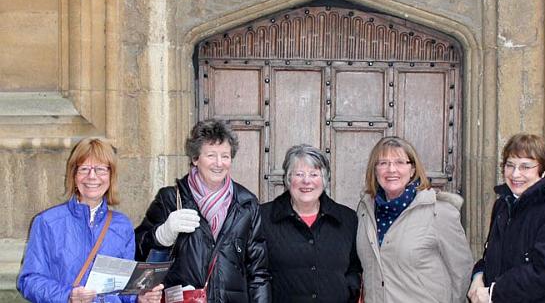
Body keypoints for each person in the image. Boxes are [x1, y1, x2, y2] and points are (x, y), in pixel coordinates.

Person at [135, 119, 270, 302]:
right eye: (211, 155)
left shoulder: (246, 203)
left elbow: (258, 272)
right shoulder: (170, 199)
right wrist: (162, 235)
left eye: (225, 156)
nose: (219, 163)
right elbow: (139, 250)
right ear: (195, 158)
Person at [17, 138, 163, 303]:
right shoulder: (47, 222)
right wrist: (68, 295)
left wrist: (139, 297)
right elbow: (28, 281)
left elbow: (123, 289)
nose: (92, 176)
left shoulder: (122, 226)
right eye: (84, 169)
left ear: (110, 175)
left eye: (100, 169)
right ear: (74, 175)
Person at [468, 133, 545, 303]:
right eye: (510, 165)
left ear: (542, 171)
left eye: (525, 167)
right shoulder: (503, 206)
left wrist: (494, 292)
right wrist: (478, 276)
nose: (515, 174)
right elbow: (494, 257)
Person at [356, 136, 473, 303]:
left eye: (400, 162)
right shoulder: (365, 211)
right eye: (383, 163)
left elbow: (461, 272)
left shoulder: (438, 212)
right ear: (374, 170)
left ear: (412, 170)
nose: (391, 169)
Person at [260, 144, 362, 303]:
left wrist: (348, 291)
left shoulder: (347, 219)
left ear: (325, 180)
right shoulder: (263, 218)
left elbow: (355, 268)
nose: (306, 181)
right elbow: (254, 273)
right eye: (299, 174)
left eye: (314, 174)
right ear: (288, 179)